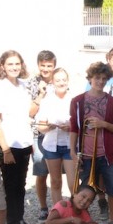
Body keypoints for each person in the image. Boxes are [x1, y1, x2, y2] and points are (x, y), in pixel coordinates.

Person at [70, 62, 113, 224]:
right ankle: (83, 222)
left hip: (109, 154)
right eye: (97, 78)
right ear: (90, 78)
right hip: (86, 155)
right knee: (86, 190)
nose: (101, 81)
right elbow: (74, 127)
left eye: (104, 79)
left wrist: (104, 124)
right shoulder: (78, 101)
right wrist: (73, 152)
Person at [0, 51, 35, 224]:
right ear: (3, 66)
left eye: (17, 63)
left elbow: (28, 113)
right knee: (11, 185)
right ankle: (12, 222)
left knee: (21, 184)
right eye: (10, 64)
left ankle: (20, 219)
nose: (14, 67)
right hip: (9, 144)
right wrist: (5, 149)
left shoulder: (23, 86)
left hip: (24, 141)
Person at [36, 68, 75, 203]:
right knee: (55, 181)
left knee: (72, 184)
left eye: (64, 79)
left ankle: (78, 212)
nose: (61, 82)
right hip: (51, 146)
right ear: (52, 82)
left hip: (70, 146)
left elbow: (81, 125)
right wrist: (47, 127)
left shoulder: (74, 100)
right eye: (58, 80)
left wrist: (71, 127)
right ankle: (57, 213)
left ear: (68, 81)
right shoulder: (47, 100)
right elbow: (40, 126)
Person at [26, 50, 56, 221]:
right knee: (41, 171)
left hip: (57, 133)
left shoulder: (59, 80)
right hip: (39, 134)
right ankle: (44, 207)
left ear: (54, 66)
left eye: (49, 65)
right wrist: (41, 94)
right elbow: (30, 112)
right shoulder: (31, 83)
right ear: (38, 65)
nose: (46, 69)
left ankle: (58, 205)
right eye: (43, 65)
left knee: (57, 174)